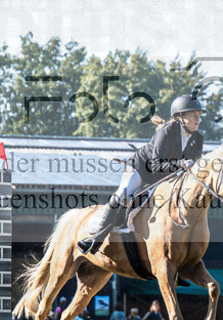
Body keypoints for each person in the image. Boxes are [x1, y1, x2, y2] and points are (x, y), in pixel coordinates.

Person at [78, 95, 205, 254]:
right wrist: (179, 164)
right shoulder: (166, 132)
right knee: (124, 193)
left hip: (165, 177)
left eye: (199, 116)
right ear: (179, 117)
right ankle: (95, 238)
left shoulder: (198, 138)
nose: (197, 119)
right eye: (193, 115)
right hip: (142, 168)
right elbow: (154, 165)